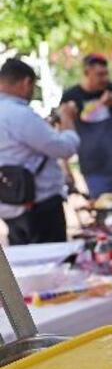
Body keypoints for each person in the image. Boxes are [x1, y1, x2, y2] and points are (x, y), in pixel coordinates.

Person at [0, 59, 79, 245]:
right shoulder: (19, 114)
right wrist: (67, 121)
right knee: (52, 266)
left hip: (9, 204)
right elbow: (64, 149)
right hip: (39, 206)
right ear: (27, 82)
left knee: (26, 268)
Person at [60, 54, 112, 198]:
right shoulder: (72, 96)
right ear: (87, 73)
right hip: (94, 169)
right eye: (99, 74)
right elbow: (63, 131)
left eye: (106, 73)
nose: (104, 78)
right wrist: (66, 170)